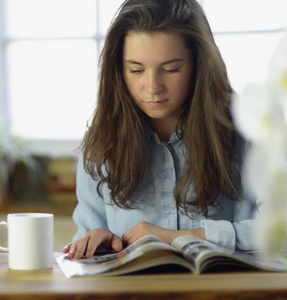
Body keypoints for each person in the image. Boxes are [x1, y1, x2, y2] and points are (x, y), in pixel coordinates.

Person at [62, 0, 258, 260]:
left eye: (170, 69)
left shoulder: (244, 131)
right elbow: (83, 246)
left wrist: (183, 237)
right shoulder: (100, 144)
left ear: (198, 64)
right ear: (119, 71)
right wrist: (96, 242)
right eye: (136, 70)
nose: (153, 87)